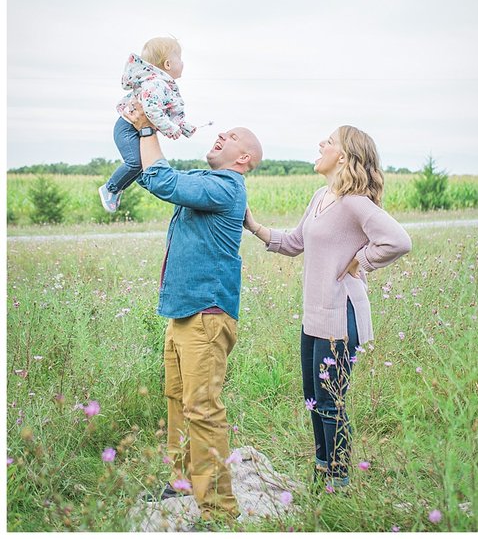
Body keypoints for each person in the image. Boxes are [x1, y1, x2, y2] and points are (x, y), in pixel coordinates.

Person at [242, 125, 411, 489]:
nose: (321, 144)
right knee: (313, 399)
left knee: (330, 403)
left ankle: (339, 481)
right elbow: (293, 242)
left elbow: (398, 241)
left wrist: (360, 260)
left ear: (345, 157)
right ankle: (323, 469)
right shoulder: (321, 196)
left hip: (340, 314)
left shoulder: (355, 203)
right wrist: (254, 226)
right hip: (314, 314)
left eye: (329, 142)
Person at [126, 105, 263, 526]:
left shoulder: (226, 186)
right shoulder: (209, 180)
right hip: (183, 311)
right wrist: (144, 127)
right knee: (176, 401)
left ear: (244, 159)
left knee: (202, 408)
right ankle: (181, 482)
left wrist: (148, 125)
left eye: (233, 135)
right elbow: (165, 173)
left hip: (206, 313)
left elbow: (161, 180)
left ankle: (218, 511)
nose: (221, 134)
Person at [99, 36, 207, 213]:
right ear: (168, 64)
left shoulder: (164, 85)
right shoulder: (156, 83)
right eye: (179, 58)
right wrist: (169, 128)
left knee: (142, 163)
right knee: (135, 163)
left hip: (134, 128)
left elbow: (170, 112)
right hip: (127, 128)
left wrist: (184, 127)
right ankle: (110, 188)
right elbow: (151, 110)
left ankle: (116, 189)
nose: (183, 63)